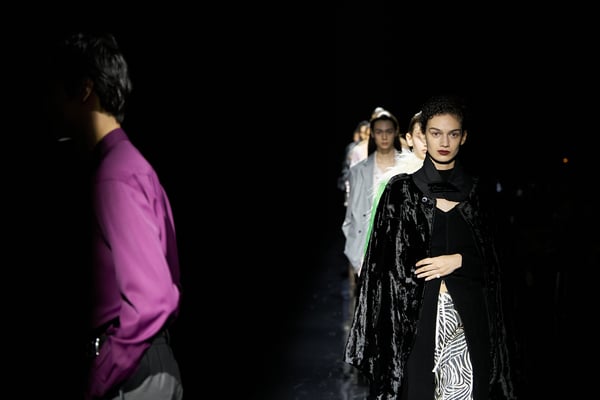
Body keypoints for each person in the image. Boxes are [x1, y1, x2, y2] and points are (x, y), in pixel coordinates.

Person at [344, 94, 516, 400]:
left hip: (470, 318)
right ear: (423, 135)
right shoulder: (400, 192)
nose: (444, 142)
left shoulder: (480, 194)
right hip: (416, 320)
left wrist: (460, 260)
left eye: (453, 133)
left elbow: (504, 261)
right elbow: (380, 270)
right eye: (436, 133)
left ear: (464, 137)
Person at [45, 32, 184, 399]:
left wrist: (98, 376)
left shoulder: (114, 175)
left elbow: (154, 299)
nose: (49, 102)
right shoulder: (130, 167)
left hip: (132, 376)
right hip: (143, 367)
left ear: (84, 89)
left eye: (55, 89)